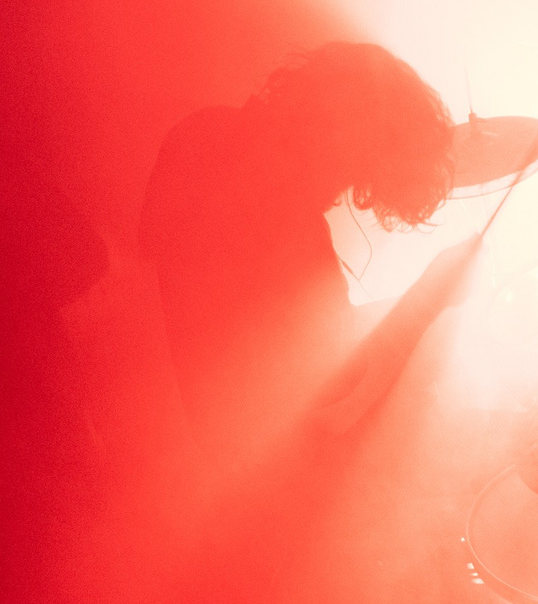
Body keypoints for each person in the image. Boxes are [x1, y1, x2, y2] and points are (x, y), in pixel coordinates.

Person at [140, 42, 479, 460]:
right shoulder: (272, 212)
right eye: (353, 171)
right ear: (339, 132)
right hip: (276, 476)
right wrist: (426, 300)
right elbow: (335, 383)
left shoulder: (202, 135)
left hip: (224, 461)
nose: (337, 195)